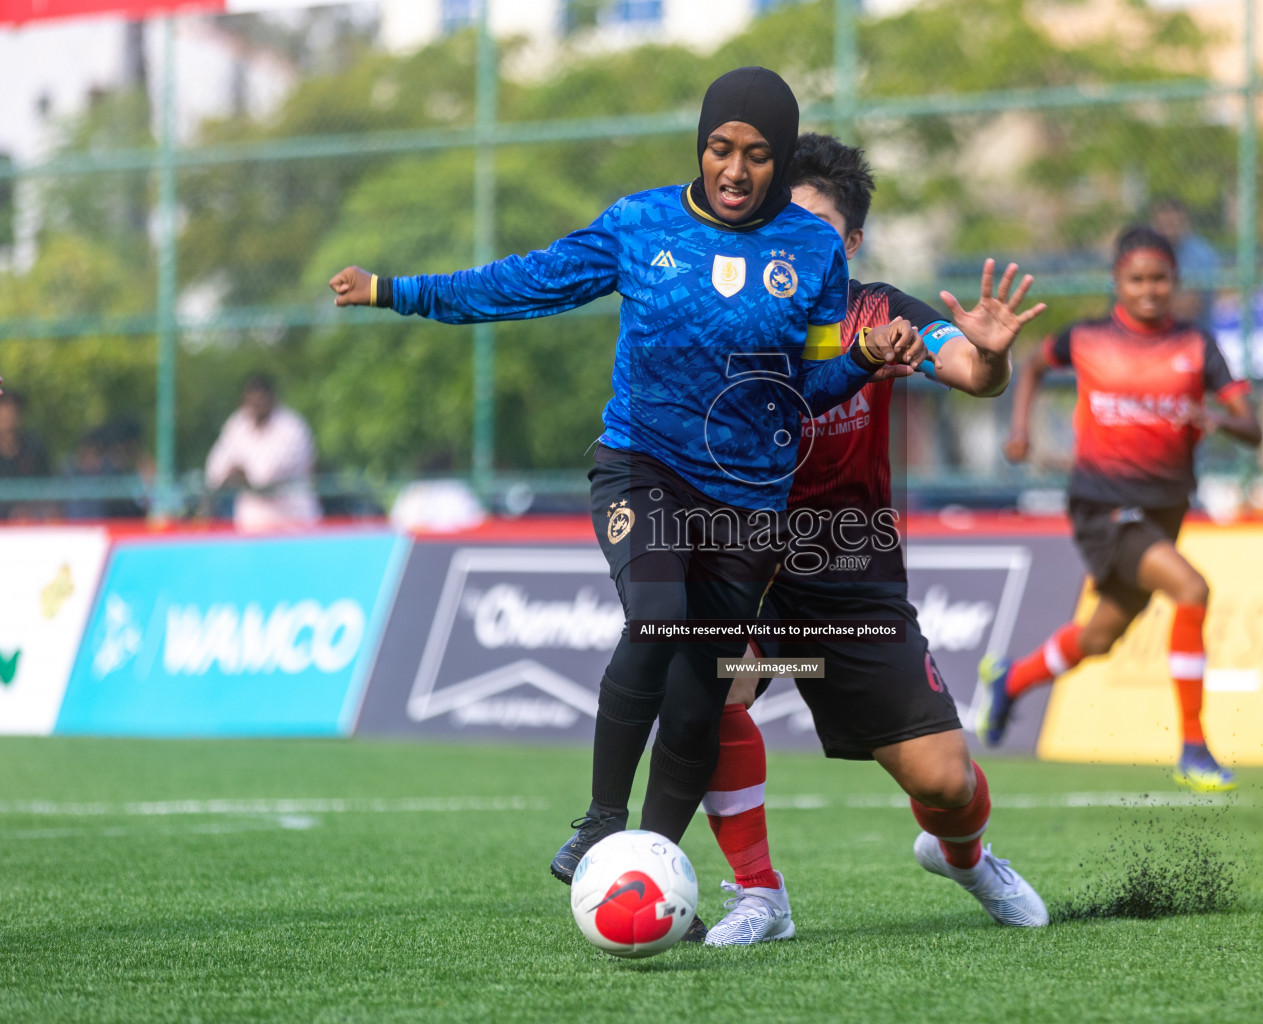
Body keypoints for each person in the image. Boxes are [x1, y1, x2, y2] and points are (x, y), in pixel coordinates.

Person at [328, 70, 924, 896]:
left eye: (757, 155)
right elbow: (523, 283)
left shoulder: (813, 248)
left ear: (780, 161)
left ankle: (648, 866)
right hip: (642, 466)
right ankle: (604, 818)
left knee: (697, 696)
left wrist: (859, 359)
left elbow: (809, 385)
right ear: (701, 146)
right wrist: (398, 292)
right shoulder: (640, 224)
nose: (736, 169)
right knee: (657, 617)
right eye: (721, 148)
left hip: (748, 502)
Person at [696, 133, 1050, 946]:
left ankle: (964, 858)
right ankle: (760, 895)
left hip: (852, 581)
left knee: (947, 782)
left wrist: (992, 361)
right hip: (753, 575)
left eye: (817, 226)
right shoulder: (728, 313)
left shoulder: (879, 313)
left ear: (850, 243)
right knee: (715, 686)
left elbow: (963, 366)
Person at [985, 225, 1262, 792]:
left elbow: (1253, 426)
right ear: (1117, 282)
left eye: (1160, 278)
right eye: (1137, 279)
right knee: (1192, 589)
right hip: (1102, 505)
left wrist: (1219, 420)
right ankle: (1193, 746)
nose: (1149, 289)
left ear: (1176, 282)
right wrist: (1020, 430)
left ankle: (1012, 680)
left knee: (1099, 638)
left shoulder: (1197, 347)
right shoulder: (1086, 337)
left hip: (1163, 509)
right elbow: (1034, 363)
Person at [204, 374, 322, 532]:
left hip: (293, 526)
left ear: (272, 398)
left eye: (260, 400)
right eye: (251, 401)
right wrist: (236, 474)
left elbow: (265, 478)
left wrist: (239, 473)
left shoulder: (291, 428)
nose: (255, 406)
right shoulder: (238, 424)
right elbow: (215, 471)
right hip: (251, 527)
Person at [1150, 198, 1220, 331]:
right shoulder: (1149, 251)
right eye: (1162, 223)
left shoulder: (1200, 255)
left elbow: (1189, 308)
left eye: (1172, 222)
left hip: (1193, 336)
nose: (1167, 229)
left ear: (1184, 221)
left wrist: (1151, 301)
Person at [0, 389, 53, 521]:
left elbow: (48, 487)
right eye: (4, 411)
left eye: (13, 411)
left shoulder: (34, 448)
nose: (9, 418)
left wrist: (27, 509)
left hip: (31, 516)